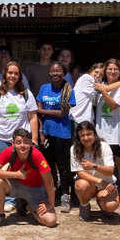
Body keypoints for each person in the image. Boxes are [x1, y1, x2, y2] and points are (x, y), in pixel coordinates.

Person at [0, 61, 39, 213]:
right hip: (1, 137)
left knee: (23, 168)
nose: (13, 76)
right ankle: (9, 199)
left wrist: (34, 139)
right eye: (10, 73)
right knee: (6, 168)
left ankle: (22, 198)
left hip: (22, 140)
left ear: (20, 76)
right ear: (5, 74)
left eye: (16, 73)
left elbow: (33, 117)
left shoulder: (26, 93)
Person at [0, 129, 56, 229]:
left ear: (31, 143)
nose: (22, 145)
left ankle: (26, 206)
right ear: (13, 143)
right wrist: (17, 175)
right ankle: (0, 215)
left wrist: (51, 204)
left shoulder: (37, 155)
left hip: (35, 189)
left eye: (26, 142)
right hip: (15, 186)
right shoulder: (9, 151)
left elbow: (49, 181)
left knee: (51, 221)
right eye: (18, 142)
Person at [36, 62, 76, 213]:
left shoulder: (68, 90)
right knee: (48, 164)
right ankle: (52, 191)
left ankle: (66, 194)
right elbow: (38, 113)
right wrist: (40, 131)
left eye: (58, 71)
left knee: (63, 165)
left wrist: (42, 110)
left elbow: (62, 113)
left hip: (62, 132)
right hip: (46, 132)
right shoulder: (43, 88)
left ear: (63, 73)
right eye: (52, 71)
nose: (55, 73)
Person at [93, 58, 120, 210]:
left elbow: (114, 105)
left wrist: (104, 90)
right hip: (101, 132)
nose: (112, 72)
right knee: (103, 164)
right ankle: (104, 192)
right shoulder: (100, 85)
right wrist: (103, 89)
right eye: (109, 69)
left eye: (116, 69)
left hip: (117, 132)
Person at [70, 122, 119, 222]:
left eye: (89, 134)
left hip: (107, 183)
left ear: (94, 134)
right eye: (82, 135)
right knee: (80, 185)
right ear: (78, 137)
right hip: (90, 184)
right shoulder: (74, 149)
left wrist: (93, 166)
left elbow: (110, 171)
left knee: (111, 206)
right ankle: (84, 206)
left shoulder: (104, 146)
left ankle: (103, 205)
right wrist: (100, 181)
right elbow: (79, 172)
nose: (86, 138)